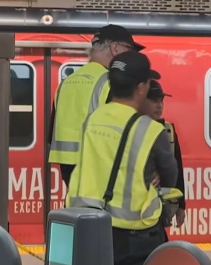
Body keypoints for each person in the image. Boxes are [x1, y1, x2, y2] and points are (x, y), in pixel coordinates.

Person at [66, 51, 180, 265]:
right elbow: (170, 173)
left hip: (93, 228)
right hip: (136, 234)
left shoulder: (93, 119)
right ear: (141, 88)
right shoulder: (150, 129)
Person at [49, 25, 143, 187]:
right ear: (114, 48)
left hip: (67, 167)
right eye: (129, 49)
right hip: (98, 165)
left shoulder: (66, 83)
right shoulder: (109, 81)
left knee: (77, 210)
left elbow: (51, 132)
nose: (131, 56)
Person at [140, 80, 186, 232]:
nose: (159, 105)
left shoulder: (168, 130)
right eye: (154, 100)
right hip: (139, 204)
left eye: (161, 101)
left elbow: (177, 167)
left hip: (161, 204)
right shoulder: (133, 129)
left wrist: (181, 205)